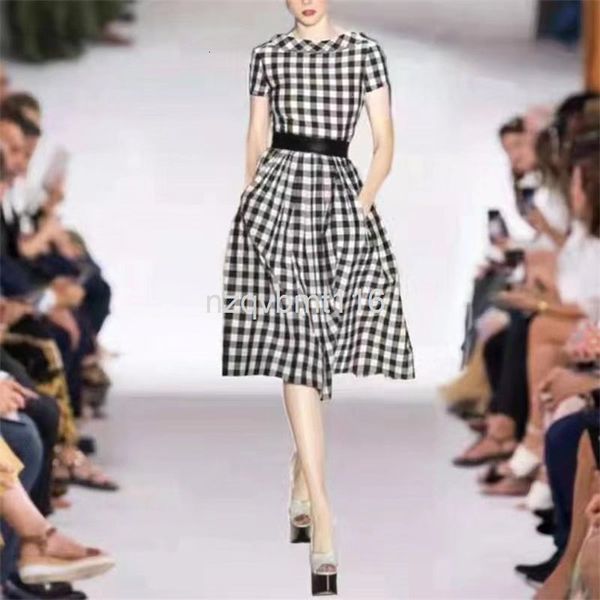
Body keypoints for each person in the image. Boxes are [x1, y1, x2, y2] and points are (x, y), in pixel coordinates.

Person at [221, 0, 415, 595]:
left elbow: (384, 142)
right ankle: (323, 513)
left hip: (339, 201)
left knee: (325, 339)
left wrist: (361, 207)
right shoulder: (269, 54)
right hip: (280, 201)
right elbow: (256, 133)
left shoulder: (363, 52)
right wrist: (251, 199)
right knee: (298, 343)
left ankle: (302, 472)